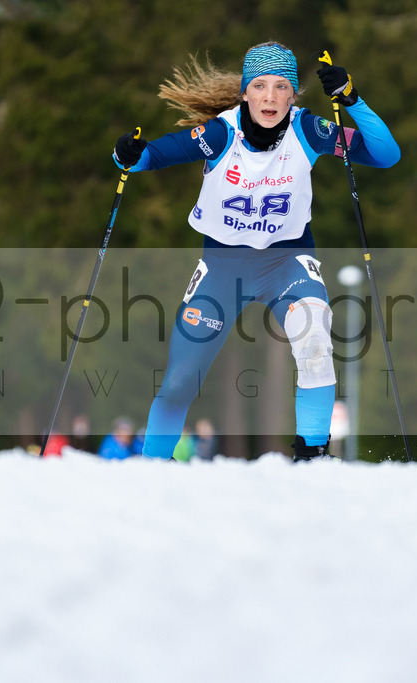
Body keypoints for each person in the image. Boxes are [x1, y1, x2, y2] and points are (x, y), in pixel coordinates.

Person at [113, 41, 400, 461]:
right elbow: (151, 156)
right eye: (261, 86)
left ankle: (313, 456)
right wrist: (127, 155)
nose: (270, 96)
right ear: (245, 92)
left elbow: (385, 155)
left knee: (315, 337)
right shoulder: (220, 133)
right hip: (223, 268)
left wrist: (352, 100)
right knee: (179, 382)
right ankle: (152, 467)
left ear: (294, 95)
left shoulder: (309, 130)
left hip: (286, 262)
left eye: (282, 86)